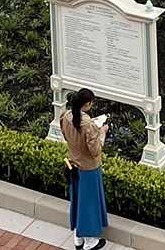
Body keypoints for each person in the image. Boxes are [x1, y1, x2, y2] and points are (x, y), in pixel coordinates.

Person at [60, 87, 109, 250]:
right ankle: (89, 240)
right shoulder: (88, 125)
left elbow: (67, 134)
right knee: (89, 204)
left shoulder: (66, 116)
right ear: (87, 105)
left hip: (73, 163)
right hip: (88, 168)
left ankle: (78, 236)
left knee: (78, 201)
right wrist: (101, 132)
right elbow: (95, 150)